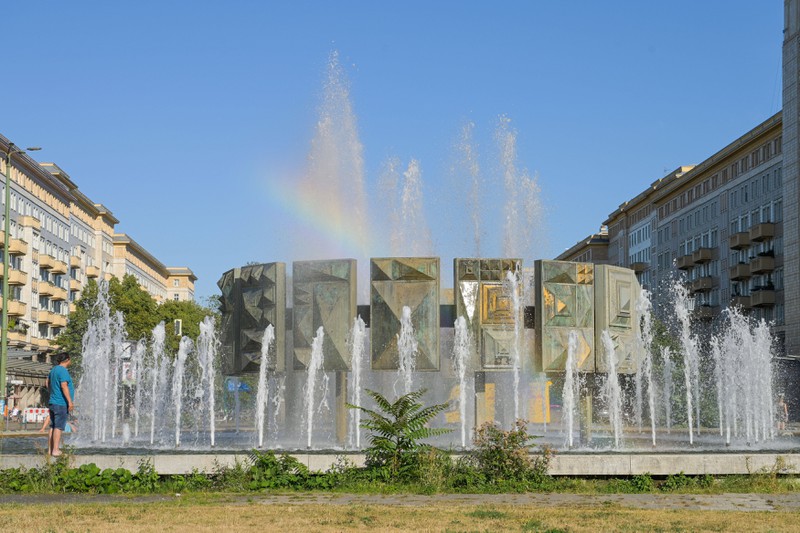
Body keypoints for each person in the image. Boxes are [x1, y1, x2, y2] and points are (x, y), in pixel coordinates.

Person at [47, 352, 74, 457]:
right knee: (59, 427)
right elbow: (64, 386)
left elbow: (47, 382)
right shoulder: (63, 371)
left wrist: (52, 394)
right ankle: (56, 450)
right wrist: (69, 401)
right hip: (61, 403)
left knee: (53, 426)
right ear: (67, 360)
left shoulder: (53, 370)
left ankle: (50, 449)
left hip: (53, 402)